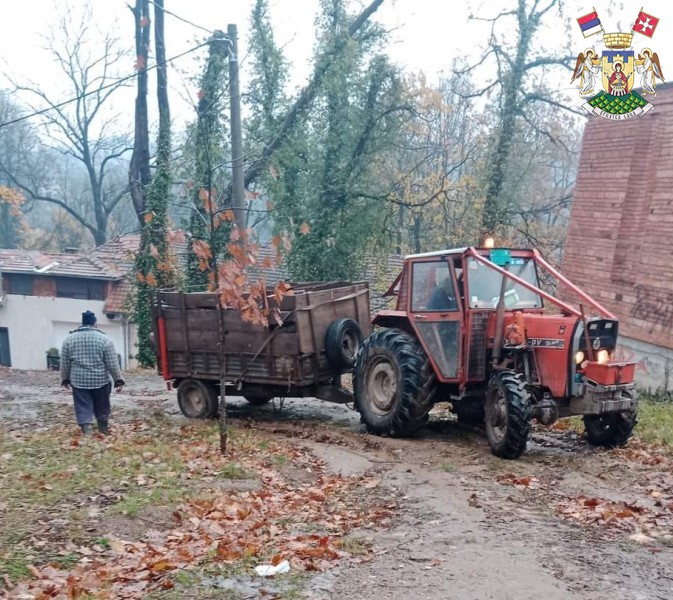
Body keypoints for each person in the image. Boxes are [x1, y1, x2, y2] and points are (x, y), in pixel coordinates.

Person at [60, 311, 125, 435]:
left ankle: (87, 431)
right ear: (95, 323)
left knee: (83, 406)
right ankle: (103, 430)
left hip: (79, 382)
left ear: (83, 323)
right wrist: (118, 379)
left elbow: (64, 363)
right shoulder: (104, 339)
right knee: (102, 405)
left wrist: (65, 379)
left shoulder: (69, 340)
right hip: (101, 381)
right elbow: (112, 362)